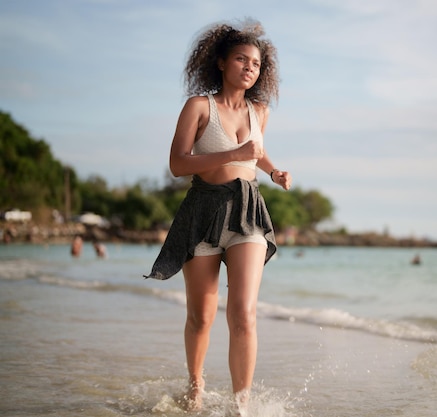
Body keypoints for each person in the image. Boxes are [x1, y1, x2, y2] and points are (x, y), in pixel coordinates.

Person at [143, 19, 290, 413]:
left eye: (256, 64)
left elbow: (255, 152)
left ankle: (241, 405)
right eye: (241, 59)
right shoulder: (197, 106)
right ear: (222, 62)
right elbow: (178, 163)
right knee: (202, 316)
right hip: (203, 211)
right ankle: (196, 385)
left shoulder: (260, 111)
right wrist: (232, 155)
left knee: (243, 313)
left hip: (248, 210)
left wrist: (273, 171)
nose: (249, 67)